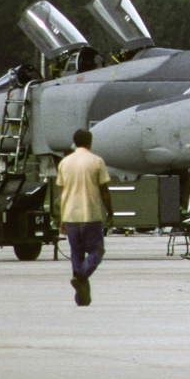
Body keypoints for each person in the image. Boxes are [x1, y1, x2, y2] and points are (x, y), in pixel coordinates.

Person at [56, 128, 113, 305]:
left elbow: (62, 192)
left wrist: (62, 218)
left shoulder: (64, 163)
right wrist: (110, 212)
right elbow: (104, 190)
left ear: (75, 142)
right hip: (91, 214)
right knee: (96, 251)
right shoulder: (96, 161)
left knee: (76, 254)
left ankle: (82, 298)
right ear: (90, 141)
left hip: (71, 215)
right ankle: (80, 277)